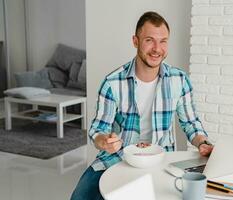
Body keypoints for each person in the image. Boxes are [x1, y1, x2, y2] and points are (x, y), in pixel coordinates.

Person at [71, 11, 213, 200]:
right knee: (80, 197)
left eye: (163, 41)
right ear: (135, 41)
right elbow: (98, 129)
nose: (157, 48)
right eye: (149, 40)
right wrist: (104, 140)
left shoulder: (179, 80)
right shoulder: (112, 83)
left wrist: (203, 143)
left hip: (163, 161)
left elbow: (191, 123)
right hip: (118, 159)